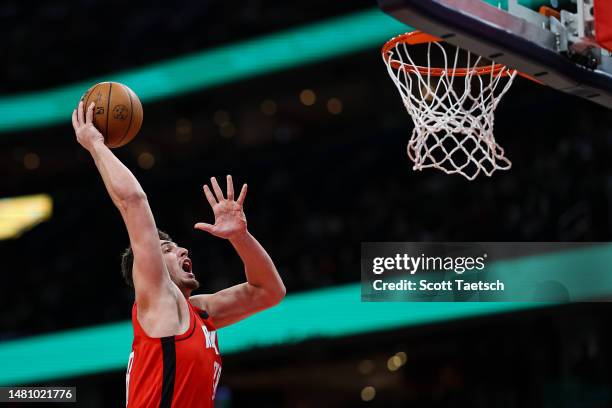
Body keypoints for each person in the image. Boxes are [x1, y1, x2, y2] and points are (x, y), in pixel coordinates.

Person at [71, 101, 286, 407]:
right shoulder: (158, 298)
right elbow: (133, 201)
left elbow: (269, 291)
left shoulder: (200, 312)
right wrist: (94, 143)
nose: (183, 249)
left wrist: (241, 237)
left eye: (175, 246)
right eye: (166, 249)